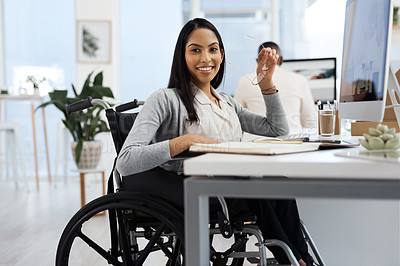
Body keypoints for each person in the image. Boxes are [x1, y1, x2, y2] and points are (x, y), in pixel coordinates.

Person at [116, 18, 314, 265]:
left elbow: (278, 129)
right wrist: (183, 142)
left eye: (213, 49)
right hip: (193, 189)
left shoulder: (227, 102)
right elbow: (125, 162)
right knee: (258, 189)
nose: (205, 58)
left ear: (221, 54)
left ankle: (301, 258)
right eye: (195, 50)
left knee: (279, 184)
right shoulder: (165, 99)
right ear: (182, 56)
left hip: (230, 185)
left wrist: (266, 85)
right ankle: (289, 259)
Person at [234, 41, 316, 135]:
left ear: (258, 60)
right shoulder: (300, 79)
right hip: (293, 141)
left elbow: (235, 117)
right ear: (281, 59)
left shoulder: (245, 80)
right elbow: (310, 121)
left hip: (257, 141)